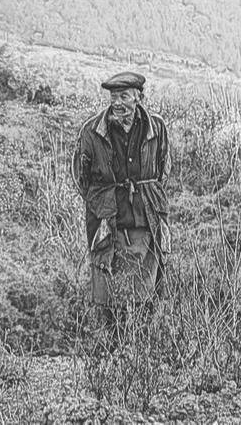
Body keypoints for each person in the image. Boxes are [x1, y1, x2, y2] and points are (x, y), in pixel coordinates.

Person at [73, 71, 171, 337]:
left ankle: (140, 347)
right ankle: (113, 348)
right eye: (113, 96)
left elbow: (163, 171)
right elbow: (81, 178)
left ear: (138, 98)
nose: (117, 102)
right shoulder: (92, 131)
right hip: (108, 221)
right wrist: (103, 200)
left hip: (146, 218)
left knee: (147, 288)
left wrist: (146, 194)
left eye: (123, 96)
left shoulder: (157, 127)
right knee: (107, 289)